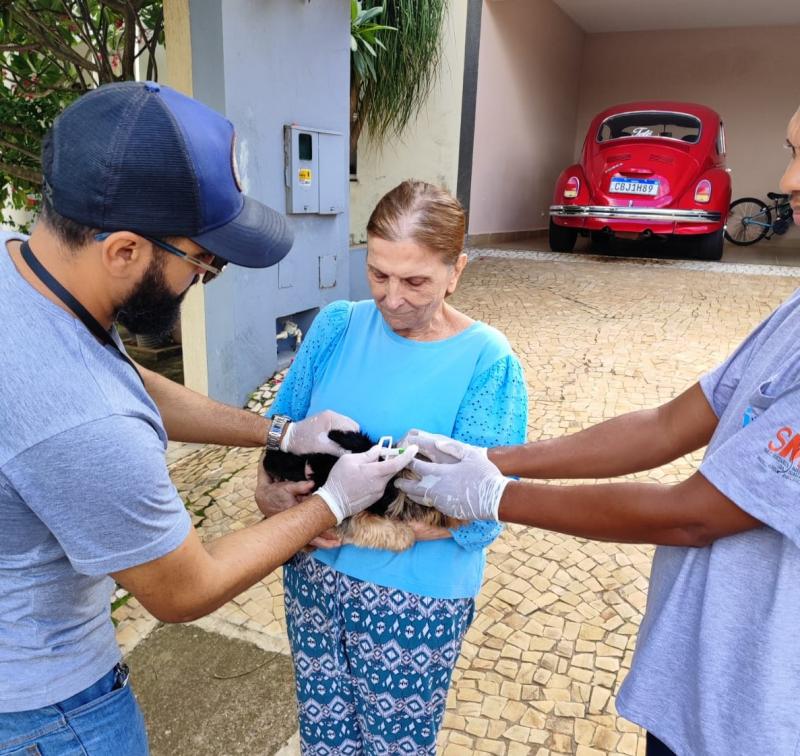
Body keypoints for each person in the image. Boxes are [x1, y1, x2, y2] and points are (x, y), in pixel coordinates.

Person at [0, 81, 416, 755]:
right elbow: (185, 590)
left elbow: (121, 378)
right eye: (204, 261)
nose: (206, 276)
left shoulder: (25, 267)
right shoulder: (85, 425)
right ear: (124, 251)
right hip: (50, 715)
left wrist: (280, 432)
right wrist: (333, 503)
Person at [395, 109, 800, 756]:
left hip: (761, 725)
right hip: (693, 697)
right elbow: (668, 423)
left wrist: (494, 495)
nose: (786, 178)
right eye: (790, 151)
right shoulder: (794, 314)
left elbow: (692, 516)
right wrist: (492, 457)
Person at [256, 180, 528, 755]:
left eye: (415, 280)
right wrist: (271, 494)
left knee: (395, 747)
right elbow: (280, 428)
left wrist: (352, 521)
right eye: (378, 274)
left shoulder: (487, 361)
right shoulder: (335, 325)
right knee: (324, 738)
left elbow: (483, 516)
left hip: (412, 599)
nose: (392, 297)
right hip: (314, 581)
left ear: (457, 270)